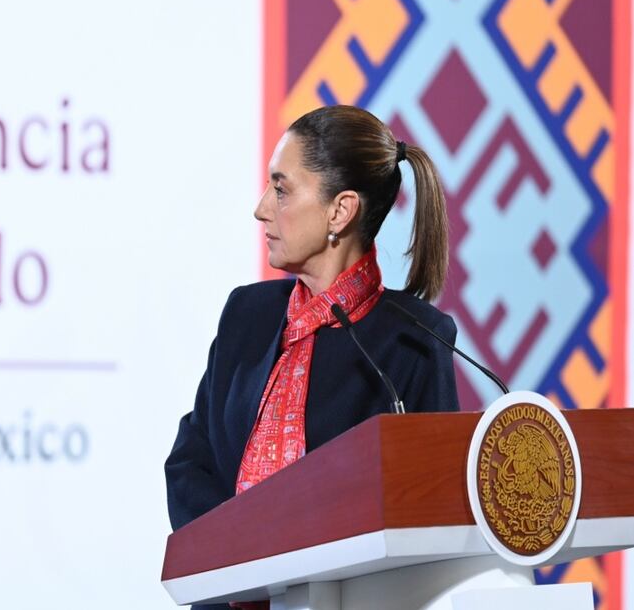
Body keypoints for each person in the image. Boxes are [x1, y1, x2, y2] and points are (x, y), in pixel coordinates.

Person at [164, 105, 460, 610]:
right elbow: (191, 461)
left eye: (281, 190)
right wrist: (245, 558)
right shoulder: (247, 313)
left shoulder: (415, 340)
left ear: (339, 212)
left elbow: (431, 516)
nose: (261, 208)